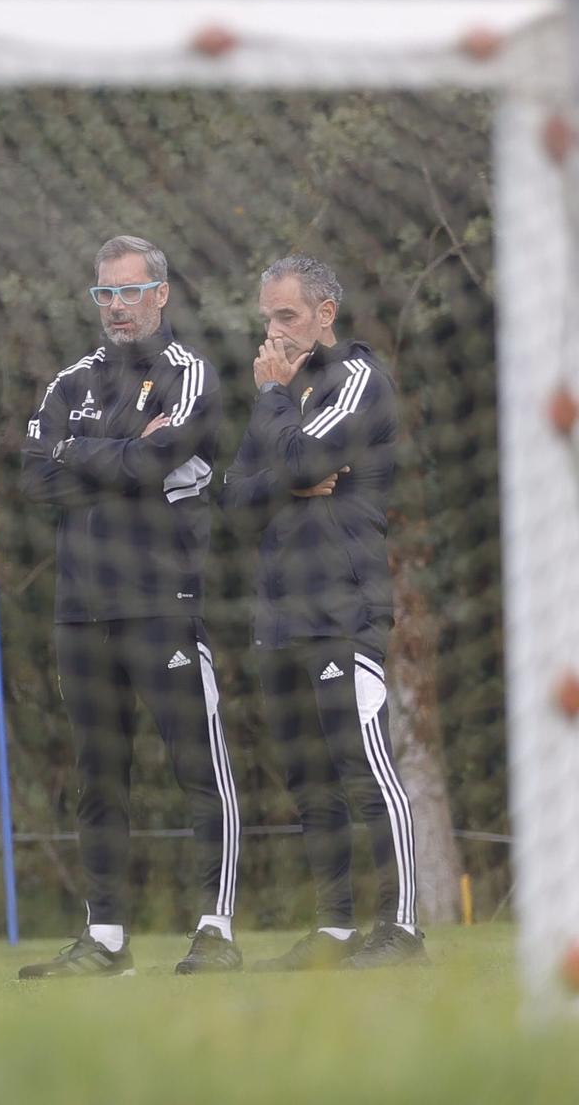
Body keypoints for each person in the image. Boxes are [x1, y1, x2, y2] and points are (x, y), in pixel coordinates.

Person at [17, 234, 243, 978]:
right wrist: (118, 456)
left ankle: (216, 929)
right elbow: (34, 477)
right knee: (99, 775)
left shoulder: (190, 374)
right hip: (80, 611)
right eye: (104, 294)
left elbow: (156, 463)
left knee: (196, 767)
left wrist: (82, 455)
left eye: (130, 291)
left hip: (162, 602)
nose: (117, 306)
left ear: (161, 294)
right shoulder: (67, 382)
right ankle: (105, 938)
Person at [221, 255, 426, 970]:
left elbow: (302, 465)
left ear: (324, 315)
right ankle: (336, 931)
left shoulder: (357, 378)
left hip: (344, 609)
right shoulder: (281, 394)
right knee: (310, 782)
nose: (273, 334)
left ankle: (401, 930)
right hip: (279, 617)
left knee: (365, 771)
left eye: (287, 317)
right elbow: (235, 498)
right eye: (267, 319)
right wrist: (291, 469)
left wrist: (281, 431)